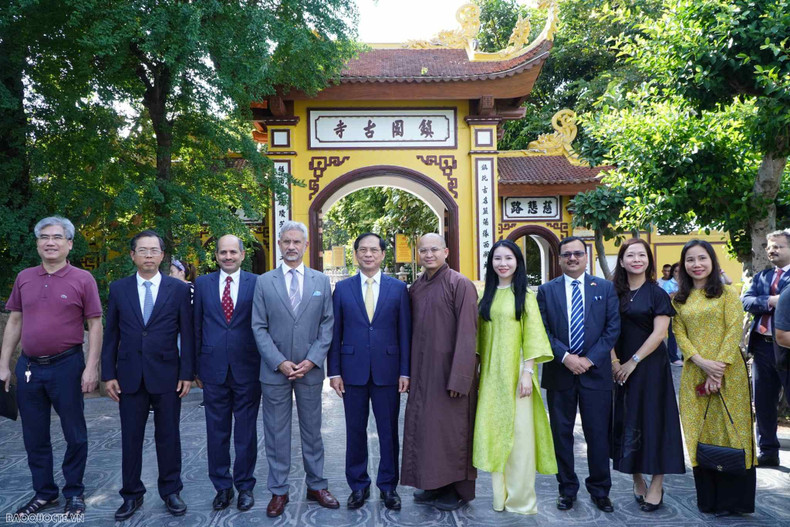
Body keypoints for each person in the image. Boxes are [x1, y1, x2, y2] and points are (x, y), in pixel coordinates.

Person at [0, 216, 102, 517]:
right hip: (29, 368)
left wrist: (91, 367)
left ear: (69, 243)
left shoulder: (83, 279)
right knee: (34, 436)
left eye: (57, 237)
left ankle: (74, 492)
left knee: (75, 434)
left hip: (67, 366)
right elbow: (15, 321)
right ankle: (44, 492)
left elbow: (95, 325)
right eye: (44, 237)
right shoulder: (24, 277)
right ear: (37, 243)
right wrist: (3, 364)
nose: (50, 242)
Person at [101, 230, 195, 521]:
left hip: (167, 375)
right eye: (143, 250)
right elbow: (111, 334)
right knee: (131, 438)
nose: (149, 256)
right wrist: (108, 374)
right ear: (133, 255)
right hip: (129, 375)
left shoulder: (178, 290)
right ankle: (131, 494)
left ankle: (171, 491)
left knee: (169, 436)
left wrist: (187, 373)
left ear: (163, 255)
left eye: (154, 250)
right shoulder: (119, 289)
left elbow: (188, 335)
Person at [251, 221, 339, 518]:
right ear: (279, 244)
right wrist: (279, 361)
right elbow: (258, 327)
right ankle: (278, 491)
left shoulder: (320, 281)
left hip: (310, 370)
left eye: (296, 242)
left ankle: (317, 485)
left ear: (305, 245)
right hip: (275, 371)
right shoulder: (264, 282)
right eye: (286, 241)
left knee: (313, 431)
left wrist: (313, 359)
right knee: (276, 433)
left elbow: (327, 324)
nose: (291, 246)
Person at [536, 236, 620, 513]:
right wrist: (566, 357)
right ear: (559, 259)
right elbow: (543, 330)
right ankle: (567, 488)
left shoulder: (605, 288)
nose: (572, 258)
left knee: (598, 434)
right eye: (566, 255)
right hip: (560, 372)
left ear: (586, 258)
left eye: (577, 254)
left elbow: (612, 329)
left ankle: (600, 489)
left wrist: (588, 360)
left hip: (595, 374)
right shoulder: (547, 291)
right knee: (561, 434)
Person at [328, 233, 411, 510]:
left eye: (373, 250)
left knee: (388, 432)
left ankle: (388, 487)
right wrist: (334, 372)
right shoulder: (342, 289)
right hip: (352, 373)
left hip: (388, 372)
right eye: (362, 250)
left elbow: (404, 333)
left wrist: (405, 371)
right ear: (355, 255)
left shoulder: (398, 289)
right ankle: (358, 486)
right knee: (354, 431)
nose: (368, 254)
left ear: (382, 254)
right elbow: (335, 332)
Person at [473, 240, 556, 514]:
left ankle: (521, 500)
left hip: (518, 375)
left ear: (518, 262)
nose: (503, 263)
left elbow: (532, 336)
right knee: (496, 434)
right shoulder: (484, 295)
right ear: (491, 263)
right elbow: (477, 338)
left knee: (520, 439)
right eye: (497, 258)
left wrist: (527, 372)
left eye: (508, 258)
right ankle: (500, 497)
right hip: (490, 376)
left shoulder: (526, 296)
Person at [673, 239, 756, 516]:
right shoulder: (678, 299)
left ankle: (736, 502)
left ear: (712, 261)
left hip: (729, 372)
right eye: (690, 260)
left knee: (734, 431)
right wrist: (701, 362)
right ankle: (709, 500)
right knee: (699, 429)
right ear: (684, 265)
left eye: (702, 259)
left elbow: (734, 330)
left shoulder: (727, 293)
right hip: (694, 371)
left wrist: (717, 368)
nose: (696, 265)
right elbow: (679, 334)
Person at [401, 233, 479, 511]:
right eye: (423, 250)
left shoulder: (460, 284)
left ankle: (454, 488)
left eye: (434, 249)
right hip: (423, 373)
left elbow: (468, 334)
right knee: (426, 430)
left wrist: (460, 376)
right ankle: (433, 483)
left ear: (446, 251)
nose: (429, 254)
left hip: (450, 375)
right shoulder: (417, 286)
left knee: (451, 432)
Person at [610, 239, 685, 512]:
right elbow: (606, 330)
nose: (636, 259)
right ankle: (637, 478)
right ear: (621, 261)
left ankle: (657, 483)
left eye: (642, 255)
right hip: (619, 368)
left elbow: (660, 333)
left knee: (655, 422)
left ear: (648, 261)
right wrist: (616, 362)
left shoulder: (657, 293)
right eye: (631, 255)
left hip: (651, 368)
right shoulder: (613, 293)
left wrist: (633, 361)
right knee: (628, 421)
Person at [193, 235, 260, 511]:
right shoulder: (203, 284)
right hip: (212, 369)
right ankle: (222, 487)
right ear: (217, 255)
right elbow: (195, 327)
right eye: (223, 252)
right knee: (216, 432)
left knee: (246, 432)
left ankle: (245, 486)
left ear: (243, 255)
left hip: (248, 368)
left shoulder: (258, 283)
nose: (228, 256)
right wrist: (194, 368)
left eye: (233, 252)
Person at [741, 230, 790, 468]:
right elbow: (747, 301)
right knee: (763, 401)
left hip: (787, 348)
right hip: (762, 347)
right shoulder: (762, 276)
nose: (772, 250)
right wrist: (771, 301)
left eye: (778, 246)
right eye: (770, 247)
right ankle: (768, 451)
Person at [661, 263, 683, 366]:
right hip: (673, 312)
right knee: (673, 334)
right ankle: (673, 358)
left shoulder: (687, 283)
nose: (678, 273)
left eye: (680, 271)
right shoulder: (668, 283)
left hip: (685, 312)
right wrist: (678, 291)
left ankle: (686, 356)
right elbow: (665, 298)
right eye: (676, 271)